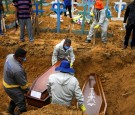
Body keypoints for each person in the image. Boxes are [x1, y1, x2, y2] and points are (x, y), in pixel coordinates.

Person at [3, 48, 29, 114]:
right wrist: (28, 91)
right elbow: (23, 85)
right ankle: (23, 111)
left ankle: (10, 111)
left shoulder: (10, 56)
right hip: (11, 87)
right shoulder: (17, 70)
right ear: (19, 58)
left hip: (7, 81)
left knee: (15, 97)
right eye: (24, 58)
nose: (24, 59)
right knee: (21, 99)